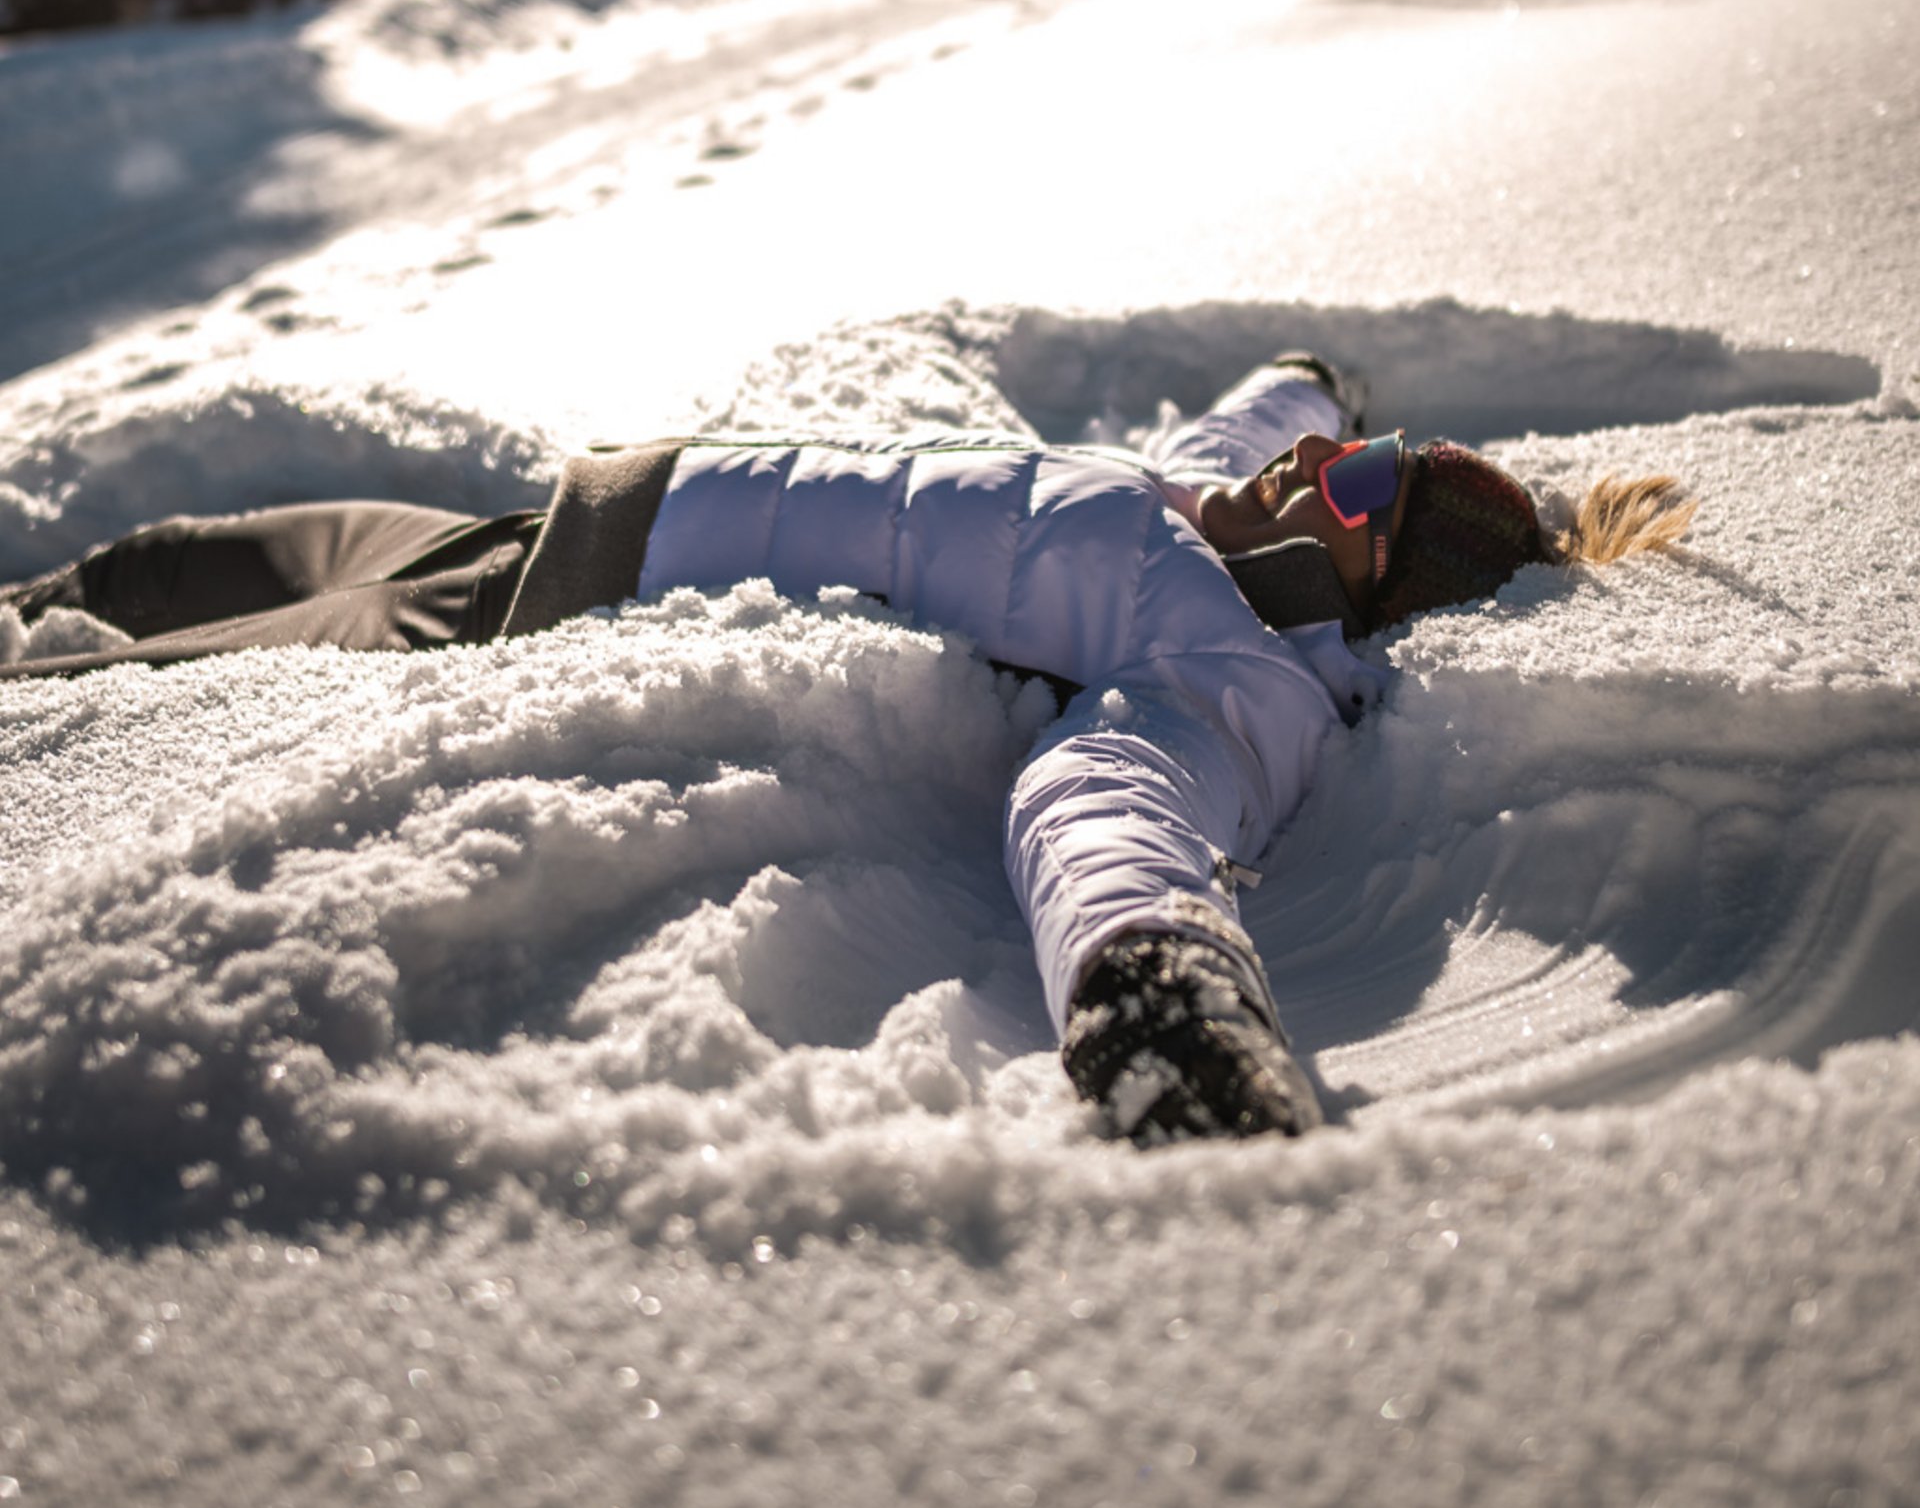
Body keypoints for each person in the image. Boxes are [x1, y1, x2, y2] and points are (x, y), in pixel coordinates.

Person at [0, 353, 1694, 1147]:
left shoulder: (1232, 674)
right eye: (1355, 452)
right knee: (215, 554)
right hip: (596, 492)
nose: (1318, 468)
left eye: (1358, 494)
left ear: (1372, 594)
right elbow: (1265, 416)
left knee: (164, 666)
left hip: (560, 599)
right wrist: (1320, 388)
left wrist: (1159, 989)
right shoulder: (1212, 496)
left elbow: (1110, 810)